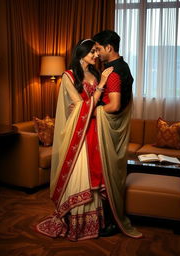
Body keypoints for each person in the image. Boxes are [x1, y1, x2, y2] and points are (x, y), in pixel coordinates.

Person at [36, 39, 114, 241]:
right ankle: (76, 224)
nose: (96, 55)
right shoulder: (68, 76)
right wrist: (100, 88)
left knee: (95, 173)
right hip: (79, 132)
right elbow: (80, 106)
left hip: (95, 129)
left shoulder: (95, 73)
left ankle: (94, 224)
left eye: (97, 52)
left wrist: (92, 103)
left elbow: (95, 104)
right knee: (80, 173)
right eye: (93, 52)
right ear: (82, 52)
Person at [92, 30, 142, 238]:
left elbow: (114, 106)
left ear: (109, 48)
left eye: (98, 49)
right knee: (110, 173)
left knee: (106, 173)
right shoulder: (124, 66)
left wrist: (91, 110)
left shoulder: (113, 71)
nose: (96, 54)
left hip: (110, 126)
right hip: (116, 128)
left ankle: (111, 222)